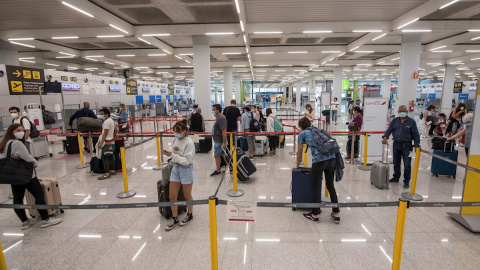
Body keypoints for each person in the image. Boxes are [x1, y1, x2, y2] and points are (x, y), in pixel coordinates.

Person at [0, 123, 62, 229]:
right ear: (12, 132)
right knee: (38, 195)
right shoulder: (17, 144)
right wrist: (35, 163)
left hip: (13, 176)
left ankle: (25, 221)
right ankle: (46, 219)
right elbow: (27, 158)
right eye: (18, 130)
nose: (22, 132)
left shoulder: (3, 144)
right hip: (26, 175)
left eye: (23, 130)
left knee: (17, 198)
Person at [294, 117, 340, 223]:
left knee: (315, 187)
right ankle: (336, 212)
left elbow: (299, 152)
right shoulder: (318, 130)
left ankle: (314, 214)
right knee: (330, 185)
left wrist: (297, 165)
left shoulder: (303, 133)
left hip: (319, 161)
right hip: (332, 158)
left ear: (301, 126)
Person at [163, 119, 195, 231]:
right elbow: (175, 154)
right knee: (172, 195)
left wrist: (172, 155)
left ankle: (190, 214)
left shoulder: (189, 143)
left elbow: (186, 160)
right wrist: (170, 159)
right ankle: (175, 218)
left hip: (186, 169)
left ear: (185, 131)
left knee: (187, 195)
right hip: (175, 168)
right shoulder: (174, 140)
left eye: (178, 132)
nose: (175, 134)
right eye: (174, 131)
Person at [382, 105, 421, 189]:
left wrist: (417, 145)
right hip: (396, 144)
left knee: (407, 164)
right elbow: (389, 130)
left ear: (407, 112)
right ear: (398, 112)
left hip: (407, 145)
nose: (402, 113)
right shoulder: (395, 121)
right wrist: (385, 137)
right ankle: (396, 177)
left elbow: (416, 134)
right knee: (396, 162)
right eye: (400, 111)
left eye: (404, 111)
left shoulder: (411, 122)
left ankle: (406, 181)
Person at [97, 108, 117, 180]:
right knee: (111, 156)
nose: (101, 116)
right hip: (112, 141)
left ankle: (107, 173)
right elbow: (115, 130)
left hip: (106, 141)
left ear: (106, 114)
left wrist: (101, 143)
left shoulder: (106, 122)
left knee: (104, 157)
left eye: (102, 114)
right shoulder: (112, 121)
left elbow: (105, 133)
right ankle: (113, 170)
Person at [210, 104, 227, 176]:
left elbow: (224, 130)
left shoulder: (220, 118)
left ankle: (218, 170)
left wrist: (223, 142)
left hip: (219, 141)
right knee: (223, 155)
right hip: (218, 140)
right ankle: (230, 166)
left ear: (218, 110)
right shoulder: (218, 118)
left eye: (214, 109)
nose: (212, 110)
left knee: (216, 155)